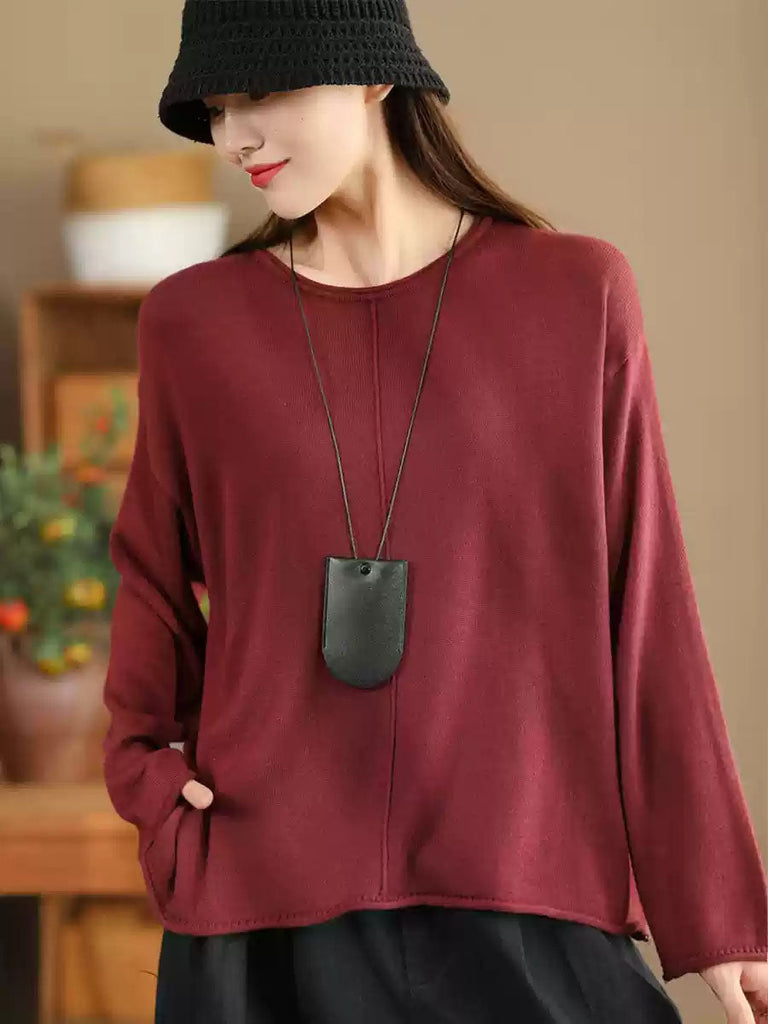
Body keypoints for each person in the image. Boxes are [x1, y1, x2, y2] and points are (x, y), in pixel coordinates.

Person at [101, 1, 768, 1022]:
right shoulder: (194, 324)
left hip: (526, 894)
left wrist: (721, 915)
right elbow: (151, 580)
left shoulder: (575, 295)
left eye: (263, 94)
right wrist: (148, 779)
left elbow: (648, 612)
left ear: (375, 75)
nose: (235, 137)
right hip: (264, 914)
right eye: (217, 108)